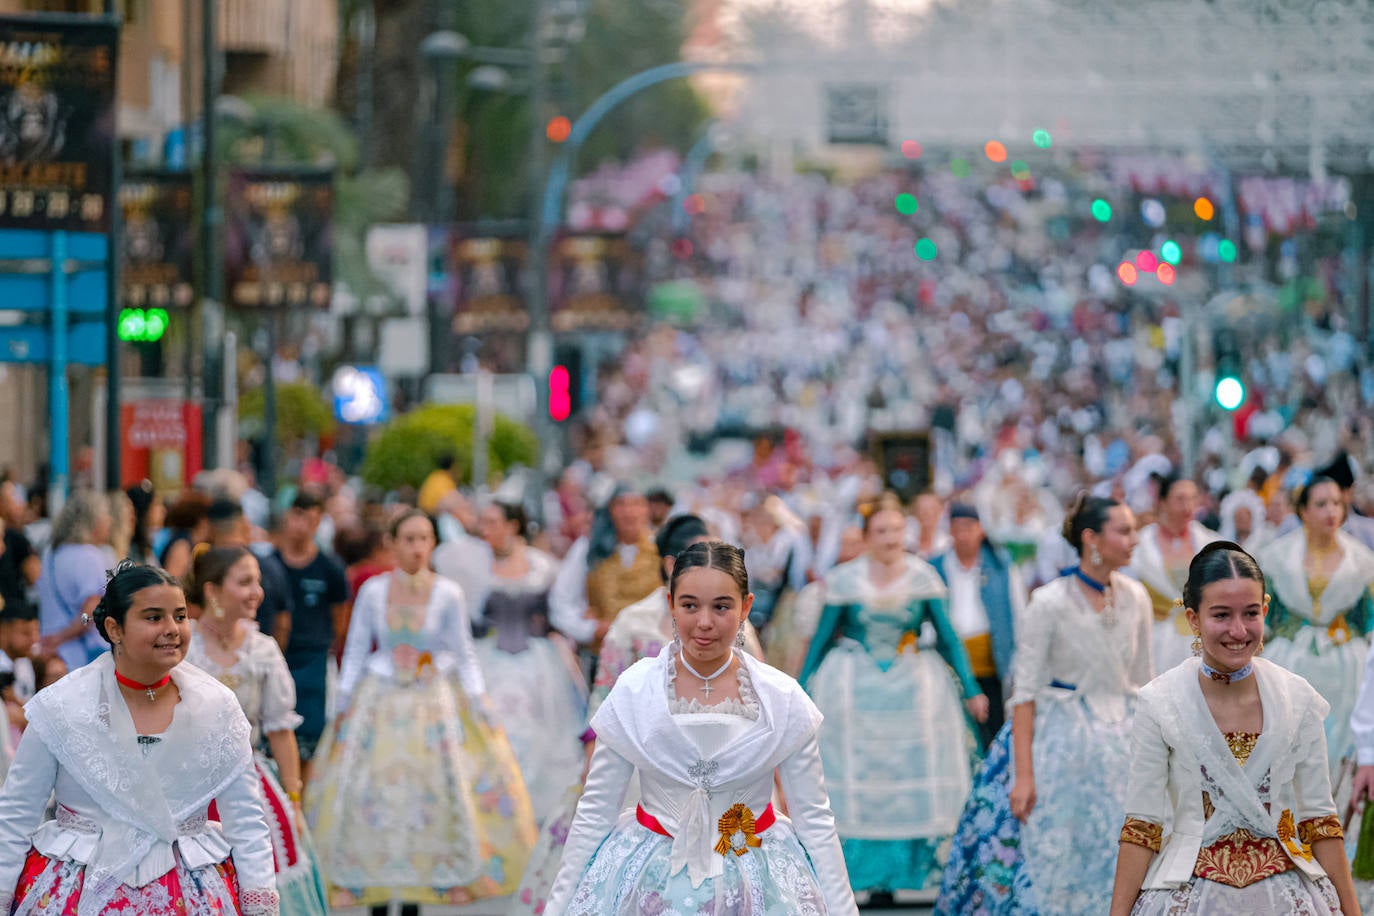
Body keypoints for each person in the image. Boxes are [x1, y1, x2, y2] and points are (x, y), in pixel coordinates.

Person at [544, 541, 858, 915]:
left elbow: (815, 821)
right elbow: (595, 813)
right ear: (670, 605)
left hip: (758, 876)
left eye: (721, 607)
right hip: (652, 877)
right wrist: (558, 906)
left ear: (746, 607)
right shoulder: (636, 689)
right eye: (690, 605)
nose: (704, 622)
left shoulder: (780, 697)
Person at [0, 561, 280, 915]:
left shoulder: (217, 707)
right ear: (115, 628)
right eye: (153, 617)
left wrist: (260, 903)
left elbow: (246, 823)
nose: (172, 629)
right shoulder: (62, 707)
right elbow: (16, 814)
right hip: (78, 890)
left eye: (179, 616)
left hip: (190, 892)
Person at [1110, 542, 1357, 916]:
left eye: (1251, 613)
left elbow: (1320, 822)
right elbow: (1142, 826)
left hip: (1288, 893)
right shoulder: (1161, 701)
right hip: (1187, 892)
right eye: (1221, 615)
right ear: (1193, 618)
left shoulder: (1297, 698)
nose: (1238, 631)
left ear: (1267, 611)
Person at [307, 509, 536, 910]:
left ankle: (417, 892)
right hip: (378, 702)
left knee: (427, 800)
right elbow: (358, 649)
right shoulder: (374, 591)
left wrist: (479, 702)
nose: (417, 548)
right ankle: (376, 891)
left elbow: (462, 652)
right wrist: (342, 704)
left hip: (430, 706)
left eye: (425, 539)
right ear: (392, 544)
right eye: (409, 539)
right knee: (373, 796)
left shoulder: (448, 592)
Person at [938, 493, 1153, 916]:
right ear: (1091, 538)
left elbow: (1145, 683)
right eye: (1124, 531)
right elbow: (1026, 691)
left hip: (1124, 743)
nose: (1134, 540)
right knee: (1055, 857)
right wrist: (1023, 776)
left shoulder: (1136, 597)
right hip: (1061, 743)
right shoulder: (1050, 601)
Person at [799, 495, 987, 900]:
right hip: (852, 685)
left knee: (912, 766)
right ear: (866, 537)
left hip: (913, 685)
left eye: (897, 530)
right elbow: (819, 640)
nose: (891, 538)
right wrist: (797, 690)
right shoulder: (845, 580)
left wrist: (971, 688)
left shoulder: (923, 577)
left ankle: (913, 873)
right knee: (852, 769)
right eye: (881, 531)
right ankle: (858, 875)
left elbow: (949, 638)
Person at [185, 546, 329, 916]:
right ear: (212, 590)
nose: (258, 592)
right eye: (245, 582)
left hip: (251, 780)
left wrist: (294, 802)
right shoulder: (183, 650)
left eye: (258, 582)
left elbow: (281, 731)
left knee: (268, 869)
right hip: (187, 785)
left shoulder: (263, 650)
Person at [470, 500, 584, 820]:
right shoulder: (476, 569)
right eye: (483, 523)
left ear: (512, 526)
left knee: (541, 735)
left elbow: (559, 614)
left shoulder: (542, 566)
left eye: (492, 522)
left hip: (538, 663)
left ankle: (532, 812)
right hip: (489, 660)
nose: (485, 530)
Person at [1259, 476, 1374, 779]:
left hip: (1347, 666)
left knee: (1340, 749)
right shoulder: (1277, 558)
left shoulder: (1362, 561)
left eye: (1337, 503)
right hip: (1289, 659)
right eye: (1321, 504)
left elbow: (1369, 620)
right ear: (1303, 511)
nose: (1331, 511)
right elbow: (1264, 618)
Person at [931, 502, 1027, 749]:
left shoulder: (1000, 565)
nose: (963, 535)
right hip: (949, 663)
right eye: (957, 528)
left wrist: (1018, 666)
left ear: (981, 529)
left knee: (993, 733)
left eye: (969, 528)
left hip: (993, 661)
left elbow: (1018, 615)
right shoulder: (937, 567)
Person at [271, 492, 348, 773]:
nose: (303, 526)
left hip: (312, 661)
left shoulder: (330, 569)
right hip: (276, 657)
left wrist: (326, 646)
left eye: (313, 520)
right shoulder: (270, 565)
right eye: (299, 516)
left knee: (309, 739)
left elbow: (340, 617)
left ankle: (300, 805)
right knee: (272, 734)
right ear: (288, 517)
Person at [1126, 474, 1220, 673]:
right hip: (1157, 638)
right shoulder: (1140, 545)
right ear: (1162, 502)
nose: (1188, 506)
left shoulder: (1210, 542)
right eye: (1180, 499)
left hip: (1201, 636)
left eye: (1193, 499)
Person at [36, 491, 114, 671]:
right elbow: (91, 612)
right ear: (93, 521)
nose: (109, 521)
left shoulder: (51, 553)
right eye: (105, 516)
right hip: (81, 657)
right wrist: (62, 636)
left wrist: (54, 639)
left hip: (51, 655)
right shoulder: (90, 556)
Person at [417, 452, 459, 517]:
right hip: (432, 515)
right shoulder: (446, 480)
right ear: (452, 465)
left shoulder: (433, 476)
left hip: (424, 513)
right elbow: (449, 503)